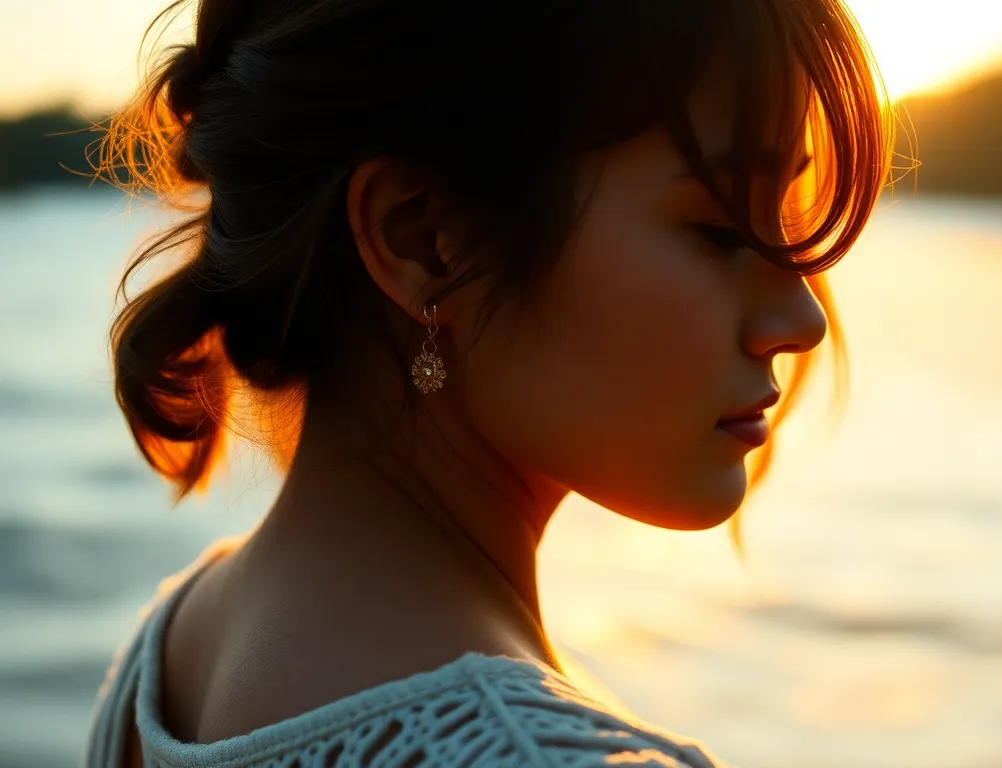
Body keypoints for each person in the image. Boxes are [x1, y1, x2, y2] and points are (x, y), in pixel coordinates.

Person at [85, 0, 895, 765]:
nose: (802, 321)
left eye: (787, 224)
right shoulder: (533, 753)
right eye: (721, 230)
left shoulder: (165, 661)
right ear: (423, 240)